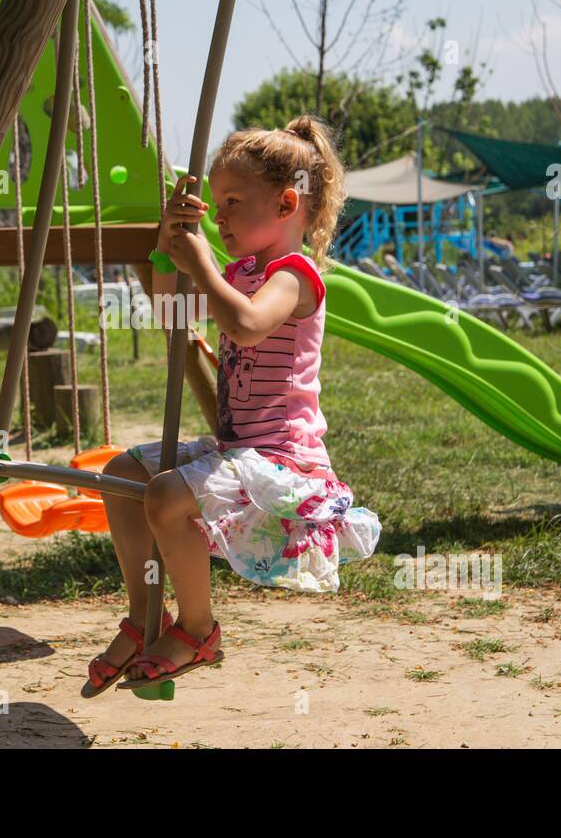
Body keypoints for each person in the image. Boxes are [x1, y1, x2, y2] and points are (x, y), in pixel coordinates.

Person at [82, 115, 381, 697]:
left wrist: (202, 263)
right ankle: (146, 617)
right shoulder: (241, 270)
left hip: (283, 458)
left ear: (286, 203)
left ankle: (199, 629)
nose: (218, 218)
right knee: (120, 476)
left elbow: (245, 326)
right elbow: (173, 312)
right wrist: (168, 246)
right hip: (238, 446)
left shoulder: (295, 276)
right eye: (214, 206)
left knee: (168, 497)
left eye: (233, 202)